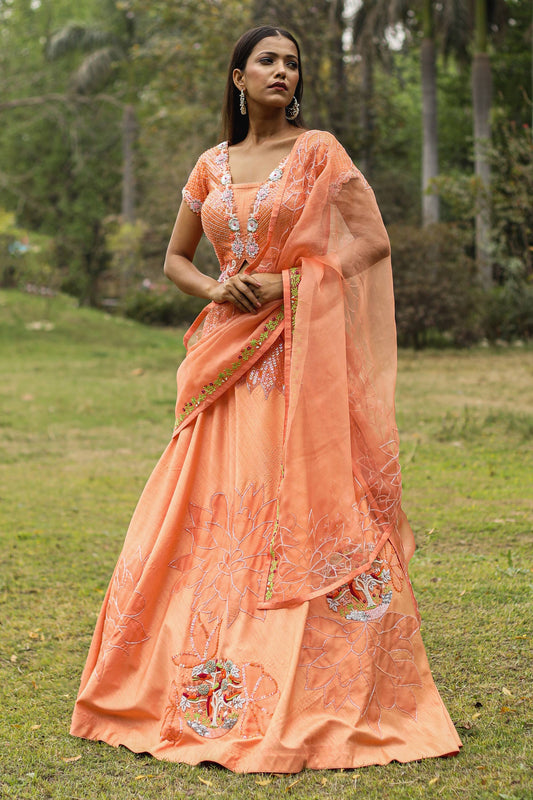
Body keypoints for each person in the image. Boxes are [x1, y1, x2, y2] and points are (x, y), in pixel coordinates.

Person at [70, 25, 461, 772]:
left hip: (298, 363)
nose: (282, 71)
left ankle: (317, 681)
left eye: (291, 63)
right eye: (267, 61)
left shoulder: (319, 153)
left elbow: (370, 241)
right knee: (208, 512)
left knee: (301, 505)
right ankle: (184, 677)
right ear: (238, 78)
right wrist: (219, 288)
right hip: (223, 361)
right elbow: (175, 259)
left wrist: (291, 284)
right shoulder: (210, 166)